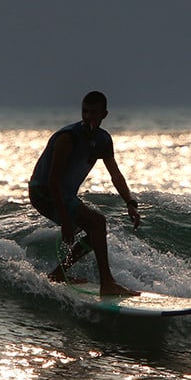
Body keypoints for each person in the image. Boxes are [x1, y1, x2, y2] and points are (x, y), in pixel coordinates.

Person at [28, 91, 141, 296]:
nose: (88, 116)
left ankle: (59, 273)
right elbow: (53, 180)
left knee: (94, 229)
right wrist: (65, 220)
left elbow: (115, 174)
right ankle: (107, 283)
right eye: (85, 111)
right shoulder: (68, 137)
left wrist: (130, 203)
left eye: (93, 112)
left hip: (62, 193)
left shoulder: (103, 140)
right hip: (43, 191)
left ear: (104, 114)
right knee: (97, 223)